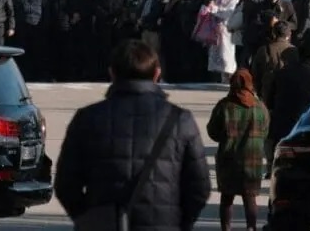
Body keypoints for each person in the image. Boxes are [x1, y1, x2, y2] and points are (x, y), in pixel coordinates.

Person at [55, 40, 210, 231]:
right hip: (162, 222)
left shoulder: (88, 118)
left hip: (103, 222)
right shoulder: (179, 120)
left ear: (112, 73)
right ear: (157, 74)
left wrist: (88, 218)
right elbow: (199, 187)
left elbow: (66, 184)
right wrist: (180, 222)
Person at [206, 69, 269, 231]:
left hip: (229, 159)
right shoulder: (260, 107)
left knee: (227, 198)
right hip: (252, 160)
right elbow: (265, 131)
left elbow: (212, 131)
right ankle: (251, 227)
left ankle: (226, 228)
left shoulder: (224, 106)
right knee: (250, 197)